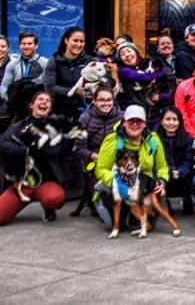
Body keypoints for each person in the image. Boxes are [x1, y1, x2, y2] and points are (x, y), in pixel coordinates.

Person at [93, 104, 170, 230]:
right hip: (116, 186)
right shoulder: (112, 140)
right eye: (131, 121)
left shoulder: (153, 140)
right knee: (112, 225)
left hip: (142, 187)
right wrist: (119, 183)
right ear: (124, 123)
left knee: (139, 226)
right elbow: (101, 169)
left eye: (139, 121)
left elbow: (162, 167)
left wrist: (162, 182)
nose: (135, 124)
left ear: (145, 123)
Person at [0, 91, 72, 224]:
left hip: (46, 181)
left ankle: (48, 208)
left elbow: (60, 150)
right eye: (40, 99)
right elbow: (2, 143)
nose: (44, 102)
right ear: (31, 105)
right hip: (22, 183)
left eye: (47, 101)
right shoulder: (19, 126)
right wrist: (25, 151)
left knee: (55, 198)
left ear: (50, 108)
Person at [75, 87, 123, 210]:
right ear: (94, 102)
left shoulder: (122, 117)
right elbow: (78, 148)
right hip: (94, 159)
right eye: (101, 100)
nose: (106, 103)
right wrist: (92, 156)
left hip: (117, 158)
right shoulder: (85, 119)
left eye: (109, 100)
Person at [44, 26, 95, 119]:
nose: (79, 44)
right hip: (60, 111)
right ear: (66, 41)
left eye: (81, 41)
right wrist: (73, 91)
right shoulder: (55, 60)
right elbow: (49, 86)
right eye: (75, 40)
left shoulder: (90, 61)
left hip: (86, 112)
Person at [1, 31, 49, 122]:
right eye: (23, 44)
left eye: (30, 44)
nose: (26, 46)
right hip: (17, 108)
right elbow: (4, 85)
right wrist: (6, 96)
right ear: (20, 45)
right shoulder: (12, 64)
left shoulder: (45, 63)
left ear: (36, 46)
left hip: (38, 108)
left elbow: (48, 85)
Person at [115, 41, 169, 121]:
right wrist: (162, 72)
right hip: (134, 114)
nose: (127, 55)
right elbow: (145, 77)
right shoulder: (123, 71)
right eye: (122, 54)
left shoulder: (148, 64)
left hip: (154, 113)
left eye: (129, 51)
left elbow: (169, 86)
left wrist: (161, 96)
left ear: (136, 52)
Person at [156, 106, 194, 215]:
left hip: (182, 175)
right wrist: (170, 170)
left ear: (179, 122)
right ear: (162, 122)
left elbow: (188, 160)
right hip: (164, 174)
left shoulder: (187, 139)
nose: (171, 123)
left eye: (175, 119)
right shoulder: (155, 140)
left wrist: (180, 171)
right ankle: (163, 201)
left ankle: (187, 200)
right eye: (168, 119)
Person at [0, 35, 10, 131]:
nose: (0, 49)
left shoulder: (13, 64)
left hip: (6, 112)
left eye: (3, 46)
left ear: (8, 48)